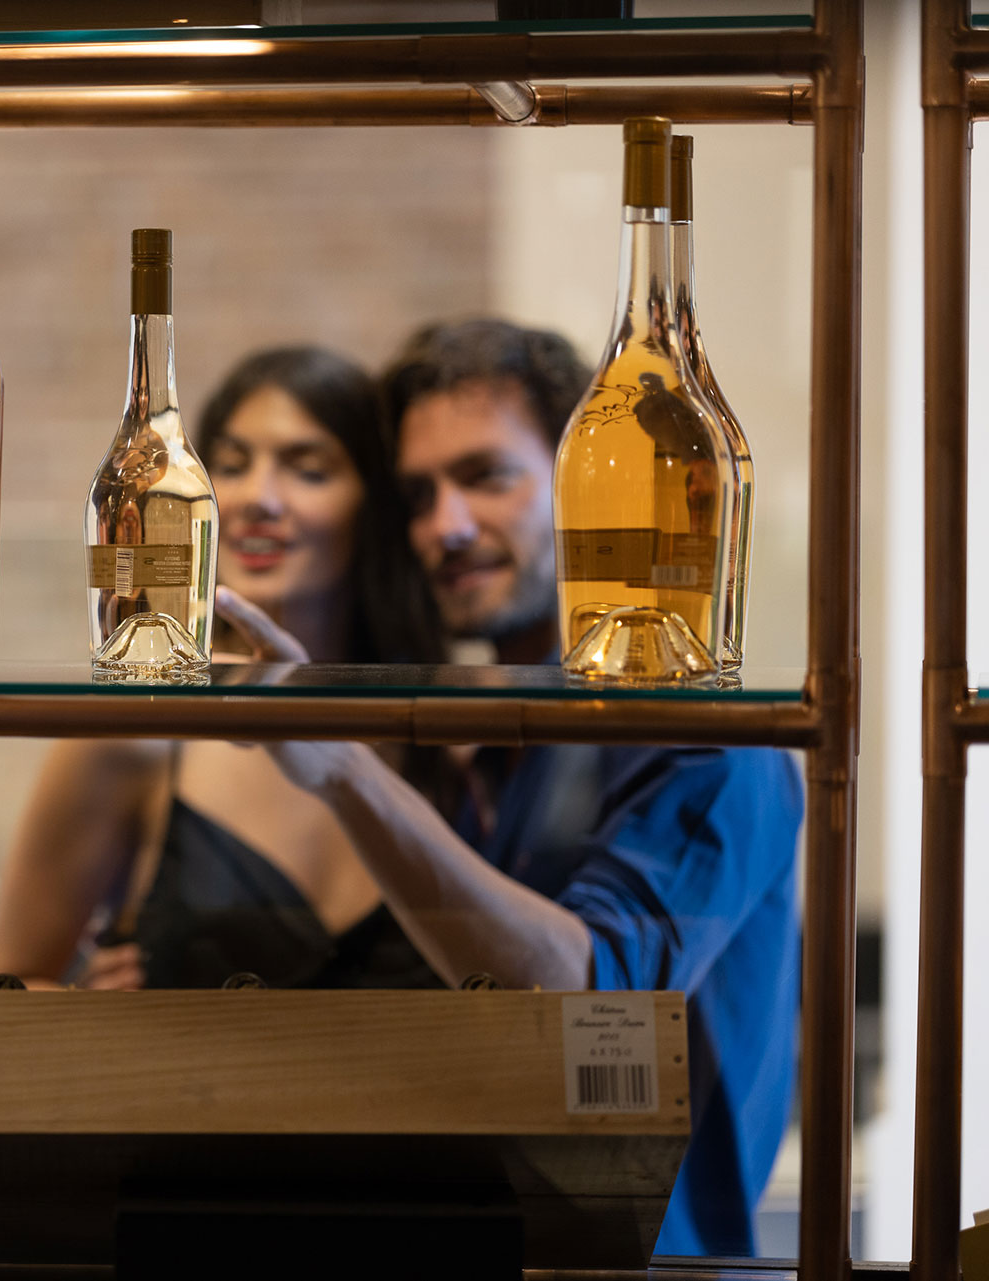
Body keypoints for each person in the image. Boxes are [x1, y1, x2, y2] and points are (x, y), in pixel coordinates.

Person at [214, 318, 800, 1259]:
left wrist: (341, 766)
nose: (444, 527)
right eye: (418, 494)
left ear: (578, 482)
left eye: (486, 477)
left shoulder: (709, 740)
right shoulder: (480, 754)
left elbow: (591, 1002)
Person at [0, 346, 445, 993]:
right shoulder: (141, 732)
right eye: (233, 464)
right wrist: (78, 1011)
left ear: (374, 501)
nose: (257, 498)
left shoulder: (449, 731)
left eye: (307, 469)